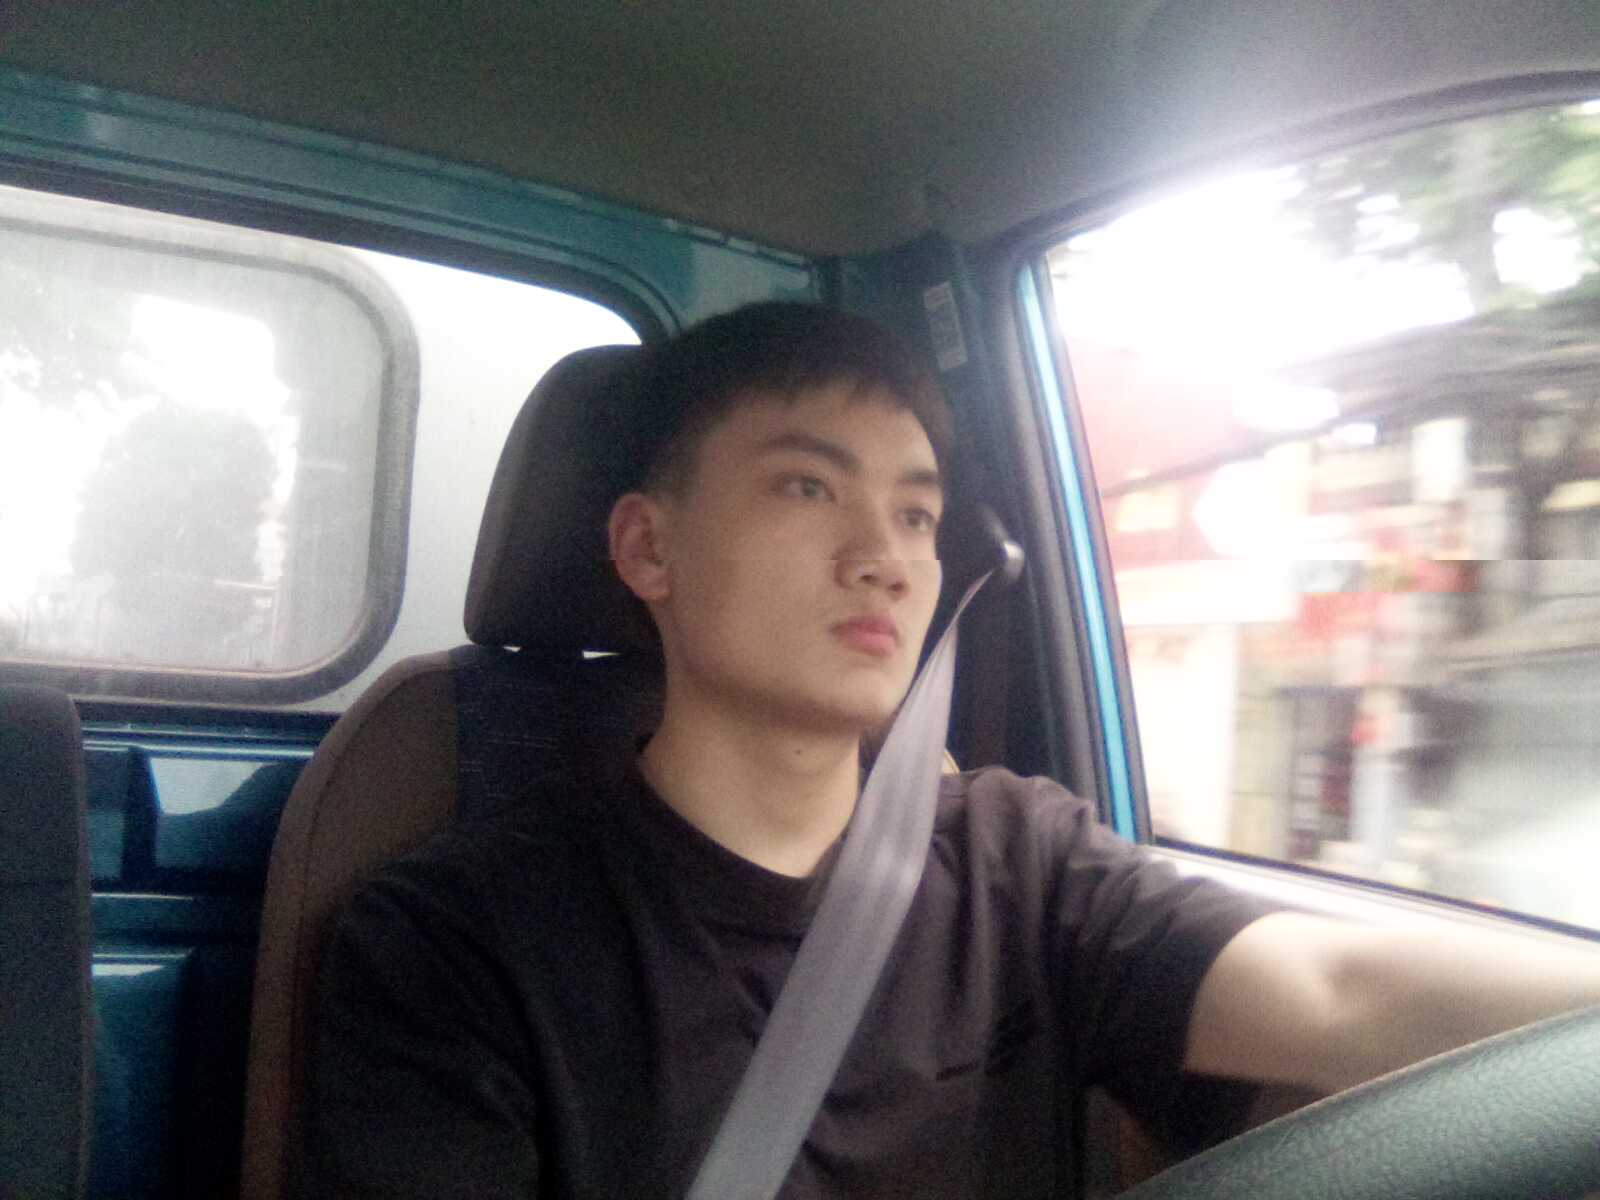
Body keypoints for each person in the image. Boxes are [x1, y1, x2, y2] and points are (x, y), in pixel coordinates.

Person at [301, 302, 1600, 1199]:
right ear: (648, 547)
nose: (884, 555)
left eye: (917, 515)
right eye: (809, 486)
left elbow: (1331, 991)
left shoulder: (1018, 862)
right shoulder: (454, 944)